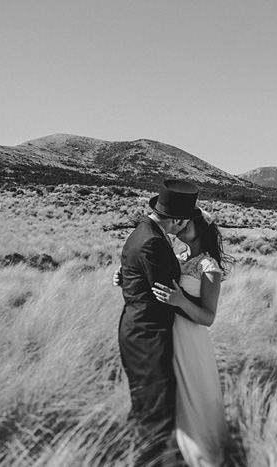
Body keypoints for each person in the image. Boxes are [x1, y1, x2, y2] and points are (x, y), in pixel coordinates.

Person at [117, 179, 202, 467]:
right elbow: (164, 293)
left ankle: (140, 455)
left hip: (138, 327)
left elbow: (136, 274)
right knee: (156, 408)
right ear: (177, 218)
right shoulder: (152, 241)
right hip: (148, 333)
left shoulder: (144, 232)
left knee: (147, 403)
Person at [152, 208, 232, 467]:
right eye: (181, 220)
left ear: (202, 228)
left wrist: (180, 301)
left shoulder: (209, 266)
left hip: (191, 340)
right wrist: (125, 277)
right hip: (168, 335)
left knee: (194, 398)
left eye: (189, 221)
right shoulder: (176, 256)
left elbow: (208, 317)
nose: (183, 224)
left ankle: (202, 457)